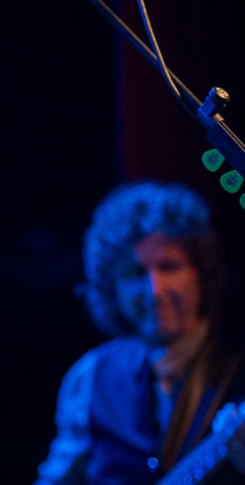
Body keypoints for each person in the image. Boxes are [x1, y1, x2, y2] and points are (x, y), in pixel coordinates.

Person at [34, 181, 245, 485]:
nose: (155, 290)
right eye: (135, 273)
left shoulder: (238, 370)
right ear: (111, 287)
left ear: (201, 272)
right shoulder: (92, 375)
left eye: (169, 267)